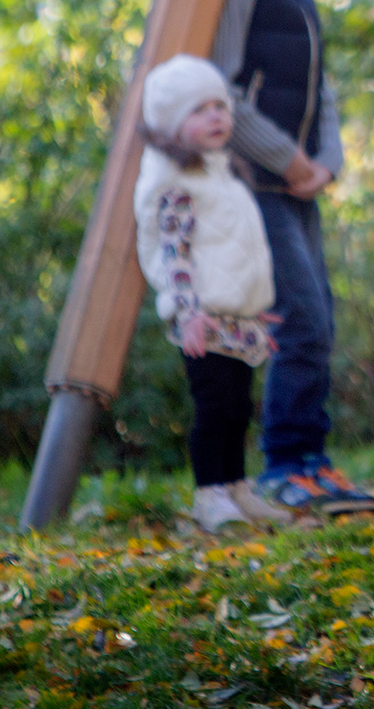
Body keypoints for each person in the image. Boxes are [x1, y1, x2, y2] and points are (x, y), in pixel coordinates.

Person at [210, 0, 374, 516]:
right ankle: (283, 463)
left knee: (320, 320)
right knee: (299, 320)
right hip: (256, 181)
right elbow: (221, 88)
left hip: (300, 183)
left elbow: (321, 89)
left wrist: (327, 159)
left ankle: (312, 460)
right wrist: (287, 157)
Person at [134, 54, 296, 532]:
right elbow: (174, 251)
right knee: (214, 407)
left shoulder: (223, 176)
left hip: (236, 318)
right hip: (202, 317)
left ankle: (237, 487)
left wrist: (254, 305)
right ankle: (210, 494)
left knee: (240, 408)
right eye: (199, 110)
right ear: (169, 123)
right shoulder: (178, 183)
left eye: (221, 107)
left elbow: (236, 251)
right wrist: (187, 310)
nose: (217, 117)